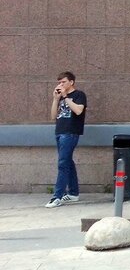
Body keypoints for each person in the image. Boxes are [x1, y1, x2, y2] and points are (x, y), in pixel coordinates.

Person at [46, 71, 87, 207]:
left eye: (63, 82)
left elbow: (78, 111)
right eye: (59, 82)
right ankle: (73, 193)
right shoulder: (61, 97)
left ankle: (57, 196)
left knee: (63, 163)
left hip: (71, 132)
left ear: (71, 82)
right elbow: (53, 116)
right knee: (68, 162)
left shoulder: (79, 95)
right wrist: (55, 99)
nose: (61, 84)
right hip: (60, 131)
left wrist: (65, 96)